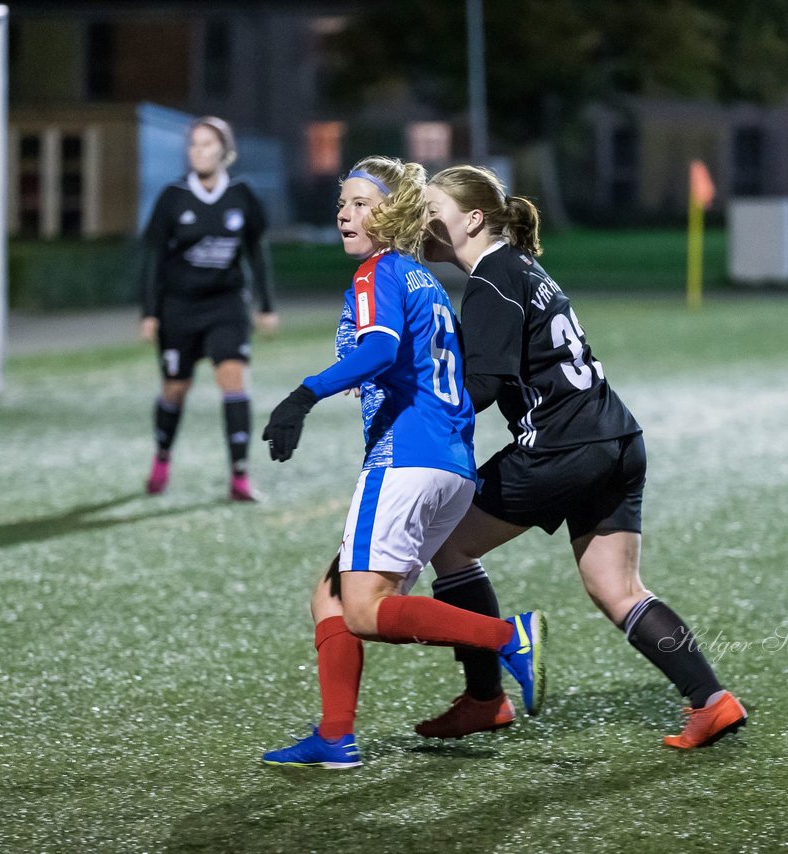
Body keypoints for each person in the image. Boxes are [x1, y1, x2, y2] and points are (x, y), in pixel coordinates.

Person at [418, 165, 746, 750]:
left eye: (431, 207)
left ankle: (485, 699)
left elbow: (485, 387)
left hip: (561, 446)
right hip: (617, 438)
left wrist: (419, 427)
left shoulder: (491, 280)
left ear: (472, 220)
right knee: (616, 587)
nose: (421, 220)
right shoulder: (521, 267)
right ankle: (712, 701)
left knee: (447, 540)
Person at [257, 156, 544, 769]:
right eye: (343, 201)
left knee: (361, 609)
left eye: (362, 202)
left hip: (405, 461)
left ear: (397, 213)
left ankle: (507, 638)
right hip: (451, 466)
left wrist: (303, 395)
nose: (345, 213)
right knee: (330, 599)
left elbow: (380, 350)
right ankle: (336, 737)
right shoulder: (426, 282)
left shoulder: (378, 273)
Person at [138, 116, 276, 501]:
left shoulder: (243, 195)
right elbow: (153, 260)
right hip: (178, 308)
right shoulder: (173, 197)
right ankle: (162, 457)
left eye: (207, 144)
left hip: (226, 305)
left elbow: (256, 253)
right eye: (194, 144)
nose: (199, 151)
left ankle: (240, 476)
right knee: (175, 388)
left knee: (234, 380)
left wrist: (266, 304)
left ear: (225, 151)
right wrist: (149, 312)